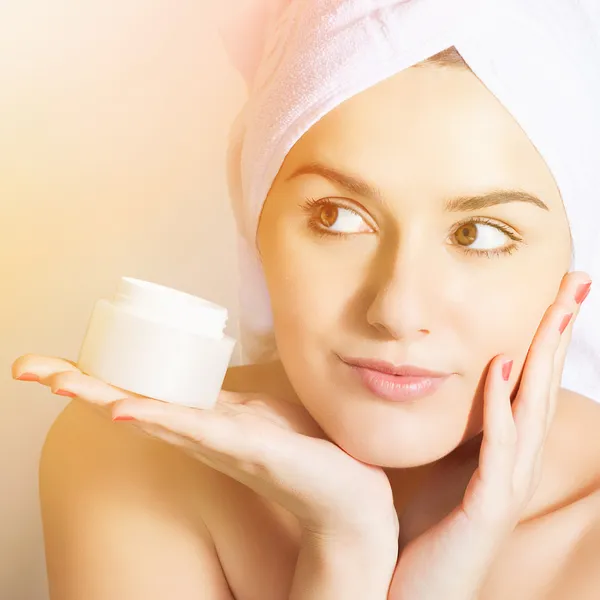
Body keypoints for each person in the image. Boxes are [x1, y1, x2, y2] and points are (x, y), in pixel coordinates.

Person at [12, 2, 600, 599]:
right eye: (336, 216)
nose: (397, 310)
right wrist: (344, 547)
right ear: (256, 220)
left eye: (477, 234)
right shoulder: (134, 453)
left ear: (574, 267)